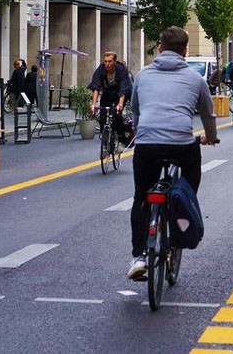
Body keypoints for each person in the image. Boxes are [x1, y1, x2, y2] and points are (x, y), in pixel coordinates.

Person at [127, 26, 217, 280]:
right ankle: (180, 210)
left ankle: (138, 256)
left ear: (159, 48)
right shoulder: (195, 79)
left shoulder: (142, 76)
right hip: (182, 145)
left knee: (141, 197)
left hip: (146, 145)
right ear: (185, 51)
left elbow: (135, 112)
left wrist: (141, 133)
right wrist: (210, 137)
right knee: (187, 187)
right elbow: (208, 114)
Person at [88, 51, 132, 146]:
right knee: (103, 117)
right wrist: (94, 104)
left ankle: (120, 138)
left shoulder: (121, 70)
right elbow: (96, 87)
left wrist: (120, 104)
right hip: (107, 93)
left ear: (115, 62)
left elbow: (123, 89)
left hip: (119, 95)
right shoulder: (101, 69)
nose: (107, 64)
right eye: (105, 61)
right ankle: (105, 137)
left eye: (110, 61)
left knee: (117, 115)